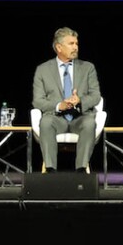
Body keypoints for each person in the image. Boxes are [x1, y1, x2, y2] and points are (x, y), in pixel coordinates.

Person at [32, 27, 102, 173]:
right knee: (45, 122)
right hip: (56, 118)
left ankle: (81, 169)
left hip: (80, 117)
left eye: (76, 43)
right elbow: (38, 101)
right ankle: (50, 169)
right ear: (59, 47)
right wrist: (59, 105)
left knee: (89, 123)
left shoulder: (88, 68)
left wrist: (80, 100)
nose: (75, 47)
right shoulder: (43, 70)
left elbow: (96, 96)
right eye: (71, 44)